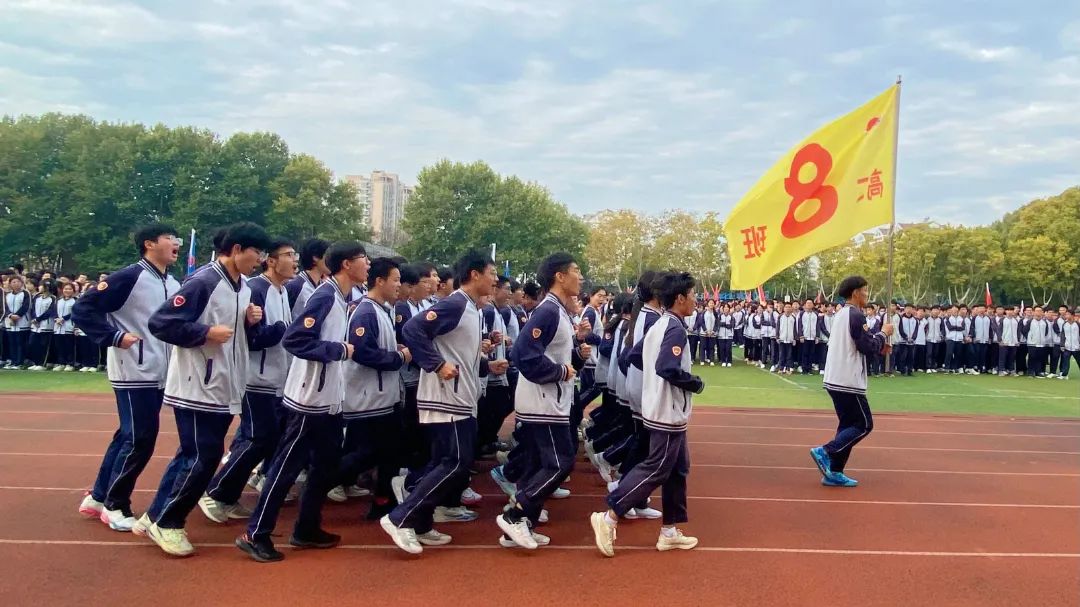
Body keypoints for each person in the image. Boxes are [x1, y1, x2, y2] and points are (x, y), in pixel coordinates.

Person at [140, 222, 271, 557]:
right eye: (258, 252)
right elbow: (162, 323)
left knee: (191, 453)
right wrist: (205, 333)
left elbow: (235, 333)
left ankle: (155, 514)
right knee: (204, 455)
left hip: (224, 383)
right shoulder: (205, 280)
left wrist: (249, 321)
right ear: (238, 249)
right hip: (197, 384)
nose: (260, 260)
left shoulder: (242, 286)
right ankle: (168, 523)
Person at [236, 242, 368, 562]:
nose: (368, 266)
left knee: (324, 467)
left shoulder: (342, 297)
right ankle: (257, 533)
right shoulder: (324, 296)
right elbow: (295, 339)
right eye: (365, 261)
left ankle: (307, 528)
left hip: (330, 400)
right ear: (347, 264)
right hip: (309, 400)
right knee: (286, 466)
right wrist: (337, 350)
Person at [381, 250, 508, 555]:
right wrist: (436, 365)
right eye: (491, 273)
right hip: (445, 399)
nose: (495, 280)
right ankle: (402, 517)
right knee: (455, 463)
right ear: (474, 275)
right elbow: (413, 330)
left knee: (444, 462)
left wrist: (485, 367)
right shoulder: (455, 303)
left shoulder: (471, 309)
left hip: (461, 397)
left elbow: (459, 354)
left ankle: (421, 523)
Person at [74, 224, 182, 531]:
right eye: (169, 238)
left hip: (158, 371)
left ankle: (98, 497)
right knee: (139, 439)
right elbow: (83, 309)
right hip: (134, 370)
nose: (175, 243)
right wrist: (114, 336)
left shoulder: (171, 282)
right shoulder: (129, 276)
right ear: (149, 244)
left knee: (128, 435)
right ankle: (115, 505)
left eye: (176, 239)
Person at [590, 271, 703, 557]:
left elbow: (634, 356)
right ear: (680, 298)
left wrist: (650, 389)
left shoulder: (662, 322)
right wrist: (694, 383)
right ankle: (610, 515)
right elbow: (666, 367)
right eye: (692, 295)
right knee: (656, 466)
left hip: (662, 407)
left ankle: (670, 530)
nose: (696, 300)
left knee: (677, 469)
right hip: (667, 411)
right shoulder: (673, 328)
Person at [198, 238, 295, 524]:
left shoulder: (281, 291)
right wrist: (281, 329)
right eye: (288, 255)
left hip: (276, 379)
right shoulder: (257, 289)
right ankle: (216, 492)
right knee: (258, 438)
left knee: (264, 439)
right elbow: (251, 337)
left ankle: (227, 494)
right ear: (271, 261)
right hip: (255, 379)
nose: (295, 260)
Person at [498, 253, 590, 549]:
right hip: (542, 401)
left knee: (539, 463)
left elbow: (555, 353)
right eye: (576, 271)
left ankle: (521, 524)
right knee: (560, 461)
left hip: (552, 399)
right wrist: (559, 371)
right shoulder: (548, 310)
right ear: (559, 276)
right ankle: (516, 514)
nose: (581, 276)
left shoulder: (559, 311)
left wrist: (575, 358)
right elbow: (523, 353)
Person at [335, 256, 410, 521]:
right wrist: (398, 358)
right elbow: (362, 352)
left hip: (383, 397)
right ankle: (321, 480)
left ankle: (382, 500)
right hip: (367, 398)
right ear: (380, 281)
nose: (399, 286)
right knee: (366, 453)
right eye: (396, 280)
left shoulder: (381, 310)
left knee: (389, 451)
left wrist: (395, 351)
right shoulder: (365, 311)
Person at [810, 275, 893, 487]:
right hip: (847, 380)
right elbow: (866, 347)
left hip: (835, 378)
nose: (867, 295)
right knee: (864, 424)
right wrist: (883, 334)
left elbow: (862, 341)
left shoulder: (842, 314)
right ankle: (826, 451)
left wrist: (878, 339)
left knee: (847, 425)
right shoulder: (856, 315)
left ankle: (835, 471)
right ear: (855, 292)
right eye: (865, 290)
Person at [3, 275, 30, 368]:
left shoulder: (26, 294)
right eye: (13, 282)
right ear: (10, 284)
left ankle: (20, 362)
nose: (16, 284)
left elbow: (26, 306)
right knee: (12, 342)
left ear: (22, 283)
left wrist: (18, 315)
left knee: (20, 343)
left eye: (18, 282)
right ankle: (13, 361)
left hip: (22, 321)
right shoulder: (7, 295)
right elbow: (5, 307)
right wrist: (10, 315)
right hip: (9, 322)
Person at [53, 282, 78, 371]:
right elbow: (54, 311)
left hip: (68, 326)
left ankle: (70, 363)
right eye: (65, 289)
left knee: (69, 346)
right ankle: (61, 363)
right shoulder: (58, 300)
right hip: (58, 327)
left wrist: (63, 318)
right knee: (59, 346)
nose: (67, 291)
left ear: (73, 291)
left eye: (69, 289)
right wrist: (56, 319)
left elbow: (74, 313)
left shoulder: (75, 301)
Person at [776, 303, 796, 374]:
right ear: (784, 308)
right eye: (786, 307)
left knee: (789, 355)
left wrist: (794, 339)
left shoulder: (793, 318)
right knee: (781, 354)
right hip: (782, 338)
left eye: (789, 307)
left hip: (790, 339)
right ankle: (781, 368)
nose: (787, 308)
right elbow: (777, 327)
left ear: (791, 309)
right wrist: (777, 337)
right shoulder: (780, 317)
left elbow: (794, 329)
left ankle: (788, 368)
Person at [1060, 309, 1078, 379]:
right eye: (1066, 314)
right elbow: (1062, 335)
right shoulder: (1064, 324)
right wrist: (1062, 344)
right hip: (1067, 347)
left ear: (1073, 315)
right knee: (1065, 361)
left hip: (1077, 347)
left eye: (1068, 314)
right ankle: (1064, 375)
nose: (1066, 316)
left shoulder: (1077, 324)